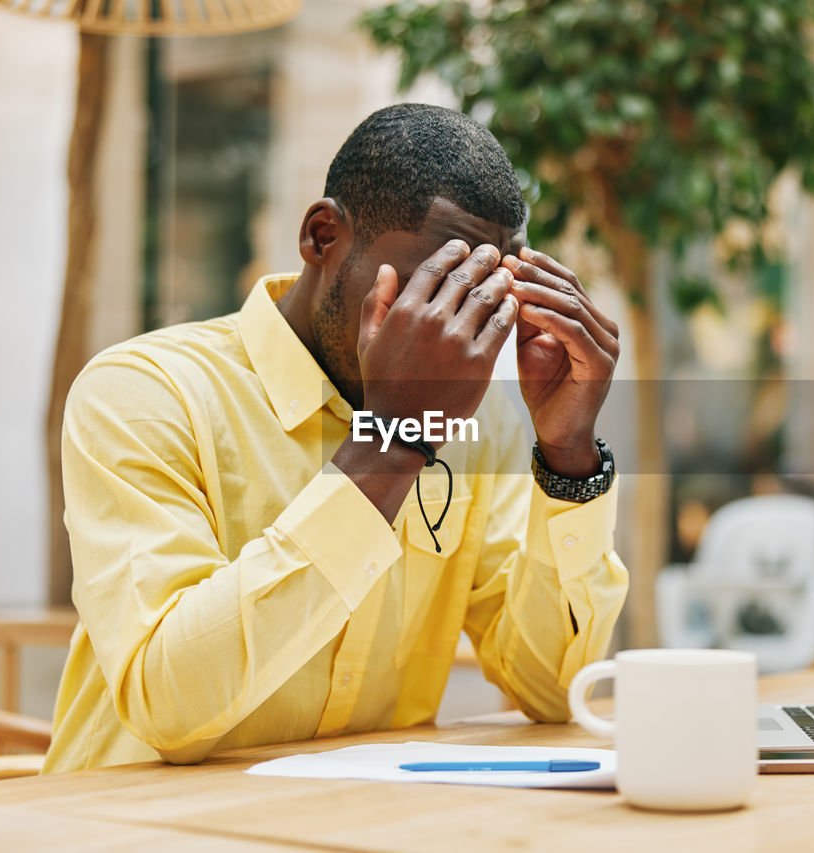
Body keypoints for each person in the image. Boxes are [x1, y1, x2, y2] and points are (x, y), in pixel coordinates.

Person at [43, 103, 628, 773]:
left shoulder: (479, 422)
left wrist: (569, 456)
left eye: (483, 299)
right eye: (427, 287)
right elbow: (169, 705)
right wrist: (393, 444)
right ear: (324, 237)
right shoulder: (144, 392)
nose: (446, 328)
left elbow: (553, 691)